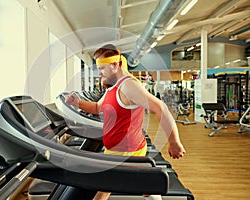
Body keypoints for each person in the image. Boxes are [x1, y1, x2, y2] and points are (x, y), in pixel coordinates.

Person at [65, 44, 186, 200]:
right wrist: (77, 103)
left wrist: (174, 141)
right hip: (119, 148)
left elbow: (160, 107)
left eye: (102, 68)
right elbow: (97, 107)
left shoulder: (128, 86)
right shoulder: (112, 87)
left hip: (125, 150)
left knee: (102, 190)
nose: (99, 72)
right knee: (143, 187)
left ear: (115, 65)